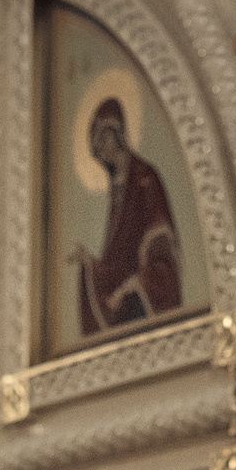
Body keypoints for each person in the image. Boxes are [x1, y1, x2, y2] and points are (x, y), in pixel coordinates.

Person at [73, 97, 183, 337]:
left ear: (117, 133)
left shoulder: (145, 179)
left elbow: (160, 239)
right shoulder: (118, 188)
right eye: (96, 145)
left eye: (102, 139)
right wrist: (91, 264)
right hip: (129, 294)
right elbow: (118, 254)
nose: (99, 149)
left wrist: (138, 280)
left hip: (146, 290)